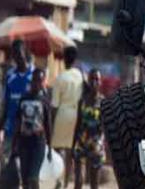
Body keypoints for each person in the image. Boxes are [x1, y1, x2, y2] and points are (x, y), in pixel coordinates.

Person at [0, 38, 35, 161]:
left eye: (19, 54)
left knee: (24, 168)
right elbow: (5, 106)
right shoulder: (10, 76)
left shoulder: (34, 76)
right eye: (15, 54)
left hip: (27, 131)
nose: (18, 58)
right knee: (5, 165)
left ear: (25, 53)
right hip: (10, 131)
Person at [13, 68, 52, 189]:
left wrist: (50, 148)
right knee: (24, 180)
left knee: (33, 177)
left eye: (40, 81)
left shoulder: (44, 101)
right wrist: (15, 144)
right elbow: (18, 122)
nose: (37, 83)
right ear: (31, 81)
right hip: (24, 142)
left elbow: (48, 124)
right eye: (35, 80)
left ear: (43, 82)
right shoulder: (24, 99)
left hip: (38, 143)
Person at [51, 45, 84, 188]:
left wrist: (51, 124)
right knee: (70, 150)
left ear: (64, 59)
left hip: (62, 114)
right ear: (75, 59)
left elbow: (54, 105)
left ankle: (57, 181)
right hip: (75, 114)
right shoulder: (80, 75)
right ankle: (65, 184)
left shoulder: (60, 78)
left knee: (57, 150)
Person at [72, 69, 105, 189]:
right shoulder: (82, 101)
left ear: (100, 82)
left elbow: (104, 126)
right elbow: (78, 123)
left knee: (94, 182)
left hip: (96, 143)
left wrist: (102, 144)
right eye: (92, 79)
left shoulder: (103, 102)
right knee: (78, 179)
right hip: (81, 141)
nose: (94, 82)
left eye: (97, 79)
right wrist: (73, 144)